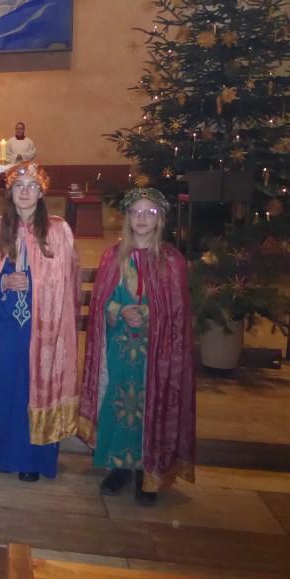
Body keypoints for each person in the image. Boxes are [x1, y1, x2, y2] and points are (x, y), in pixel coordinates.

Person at [78, 188, 195, 506]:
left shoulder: (172, 260)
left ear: (160, 220)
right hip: (119, 346)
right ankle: (119, 467)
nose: (142, 219)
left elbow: (178, 312)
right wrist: (117, 311)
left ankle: (149, 471)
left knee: (150, 406)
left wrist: (149, 313)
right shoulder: (112, 256)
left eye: (149, 213)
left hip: (155, 352)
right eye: (136, 213)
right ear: (127, 218)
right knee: (118, 401)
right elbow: (101, 300)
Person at [0, 162, 80, 481]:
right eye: (18, 186)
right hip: (6, 324)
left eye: (32, 186)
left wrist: (33, 283)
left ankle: (34, 459)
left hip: (43, 326)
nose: (24, 192)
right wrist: (4, 283)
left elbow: (66, 279)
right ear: (10, 192)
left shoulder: (58, 229)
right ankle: (4, 454)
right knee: (7, 384)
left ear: (42, 191)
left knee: (36, 385)